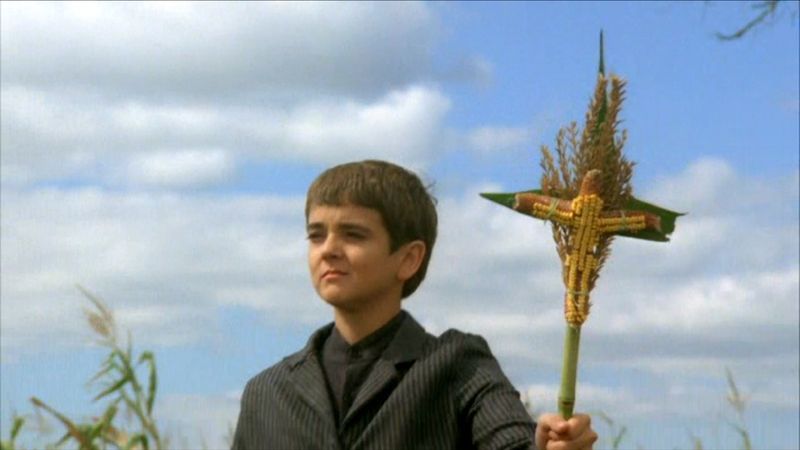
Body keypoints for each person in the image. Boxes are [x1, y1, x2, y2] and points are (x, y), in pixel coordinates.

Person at [232, 160, 598, 450]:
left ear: (409, 259)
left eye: (353, 234)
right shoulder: (267, 393)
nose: (328, 249)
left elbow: (513, 443)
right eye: (316, 235)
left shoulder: (457, 365)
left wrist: (550, 446)